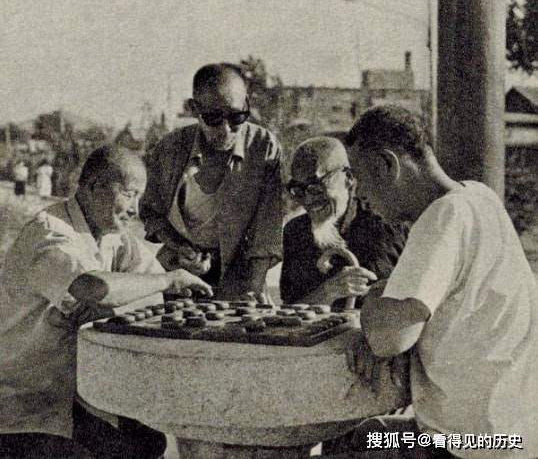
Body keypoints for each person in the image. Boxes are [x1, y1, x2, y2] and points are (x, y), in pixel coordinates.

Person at [338, 105, 538, 459]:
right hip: (516, 431)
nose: (360, 196)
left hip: (472, 445)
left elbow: (389, 338)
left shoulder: (443, 216)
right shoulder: (479, 197)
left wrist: (372, 302)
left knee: (357, 443)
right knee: (370, 436)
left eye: (360, 179)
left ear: (386, 165)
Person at [0, 145, 212, 459]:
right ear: (94, 186)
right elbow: (96, 287)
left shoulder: (111, 234)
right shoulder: (50, 232)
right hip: (23, 408)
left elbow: (150, 280)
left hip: (71, 399)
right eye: (129, 194)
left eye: (139, 197)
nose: (135, 209)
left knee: (150, 443)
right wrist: (169, 280)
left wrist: (177, 267)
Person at [140, 63, 282, 300]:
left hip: (241, 276)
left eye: (236, 117)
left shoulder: (264, 147)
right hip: (180, 272)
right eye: (213, 118)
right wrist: (182, 248)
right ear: (195, 109)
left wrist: (255, 286)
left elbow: (267, 228)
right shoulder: (170, 149)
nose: (226, 130)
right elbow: (151, 212)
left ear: (246, 104)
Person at [280, 136, 407, 309]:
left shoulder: (385, 225)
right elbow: (289, 310)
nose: (307, 200)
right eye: (299, 190)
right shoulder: (295, 232)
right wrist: (327, 292)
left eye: (316, 187)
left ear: (348, 177)